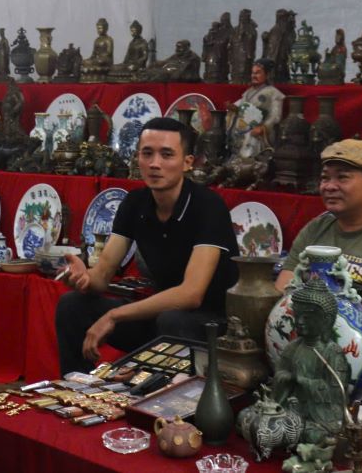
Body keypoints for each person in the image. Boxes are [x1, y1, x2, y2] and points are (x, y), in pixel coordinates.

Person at [56, 117, 240, 375]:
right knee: (72, 305)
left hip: (212, 322)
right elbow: (102, 275)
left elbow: (191, 294)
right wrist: (83, 278)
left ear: (187, 163)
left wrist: (114, 316)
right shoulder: (134, 203)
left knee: (172, 319)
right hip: (162, 315)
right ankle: (77, 391)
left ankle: (165, 406)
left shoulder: (208, 206)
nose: (155, 164)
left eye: (167, 155)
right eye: (147, 153)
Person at [274, 139, 362, 335]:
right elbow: (282, 293)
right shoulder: (316, 228)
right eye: (325, 178)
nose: (329, 186)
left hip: (352, 348)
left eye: (342, 178)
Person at [272, 273, 351, 444]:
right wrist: (286, 378)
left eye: (307, 317)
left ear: (326, 320)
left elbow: (336, 394)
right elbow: (279, 376)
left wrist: (302, 381)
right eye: (297, 315)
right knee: (250, 418)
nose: (299, 321)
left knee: (313, 435)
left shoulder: (332, 353)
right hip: (290, 409)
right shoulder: (293, 347)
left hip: (318, 416)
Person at [228, 58, 285, 158]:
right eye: (253, 73)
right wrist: (233, 108)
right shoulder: (248, 92)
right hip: (241, 130)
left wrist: (264, 128)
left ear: (267, 75)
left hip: (256, 132)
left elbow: (275, 116)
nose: (254, 76)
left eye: (258, 73)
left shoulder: (274, 93)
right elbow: (241, 106)